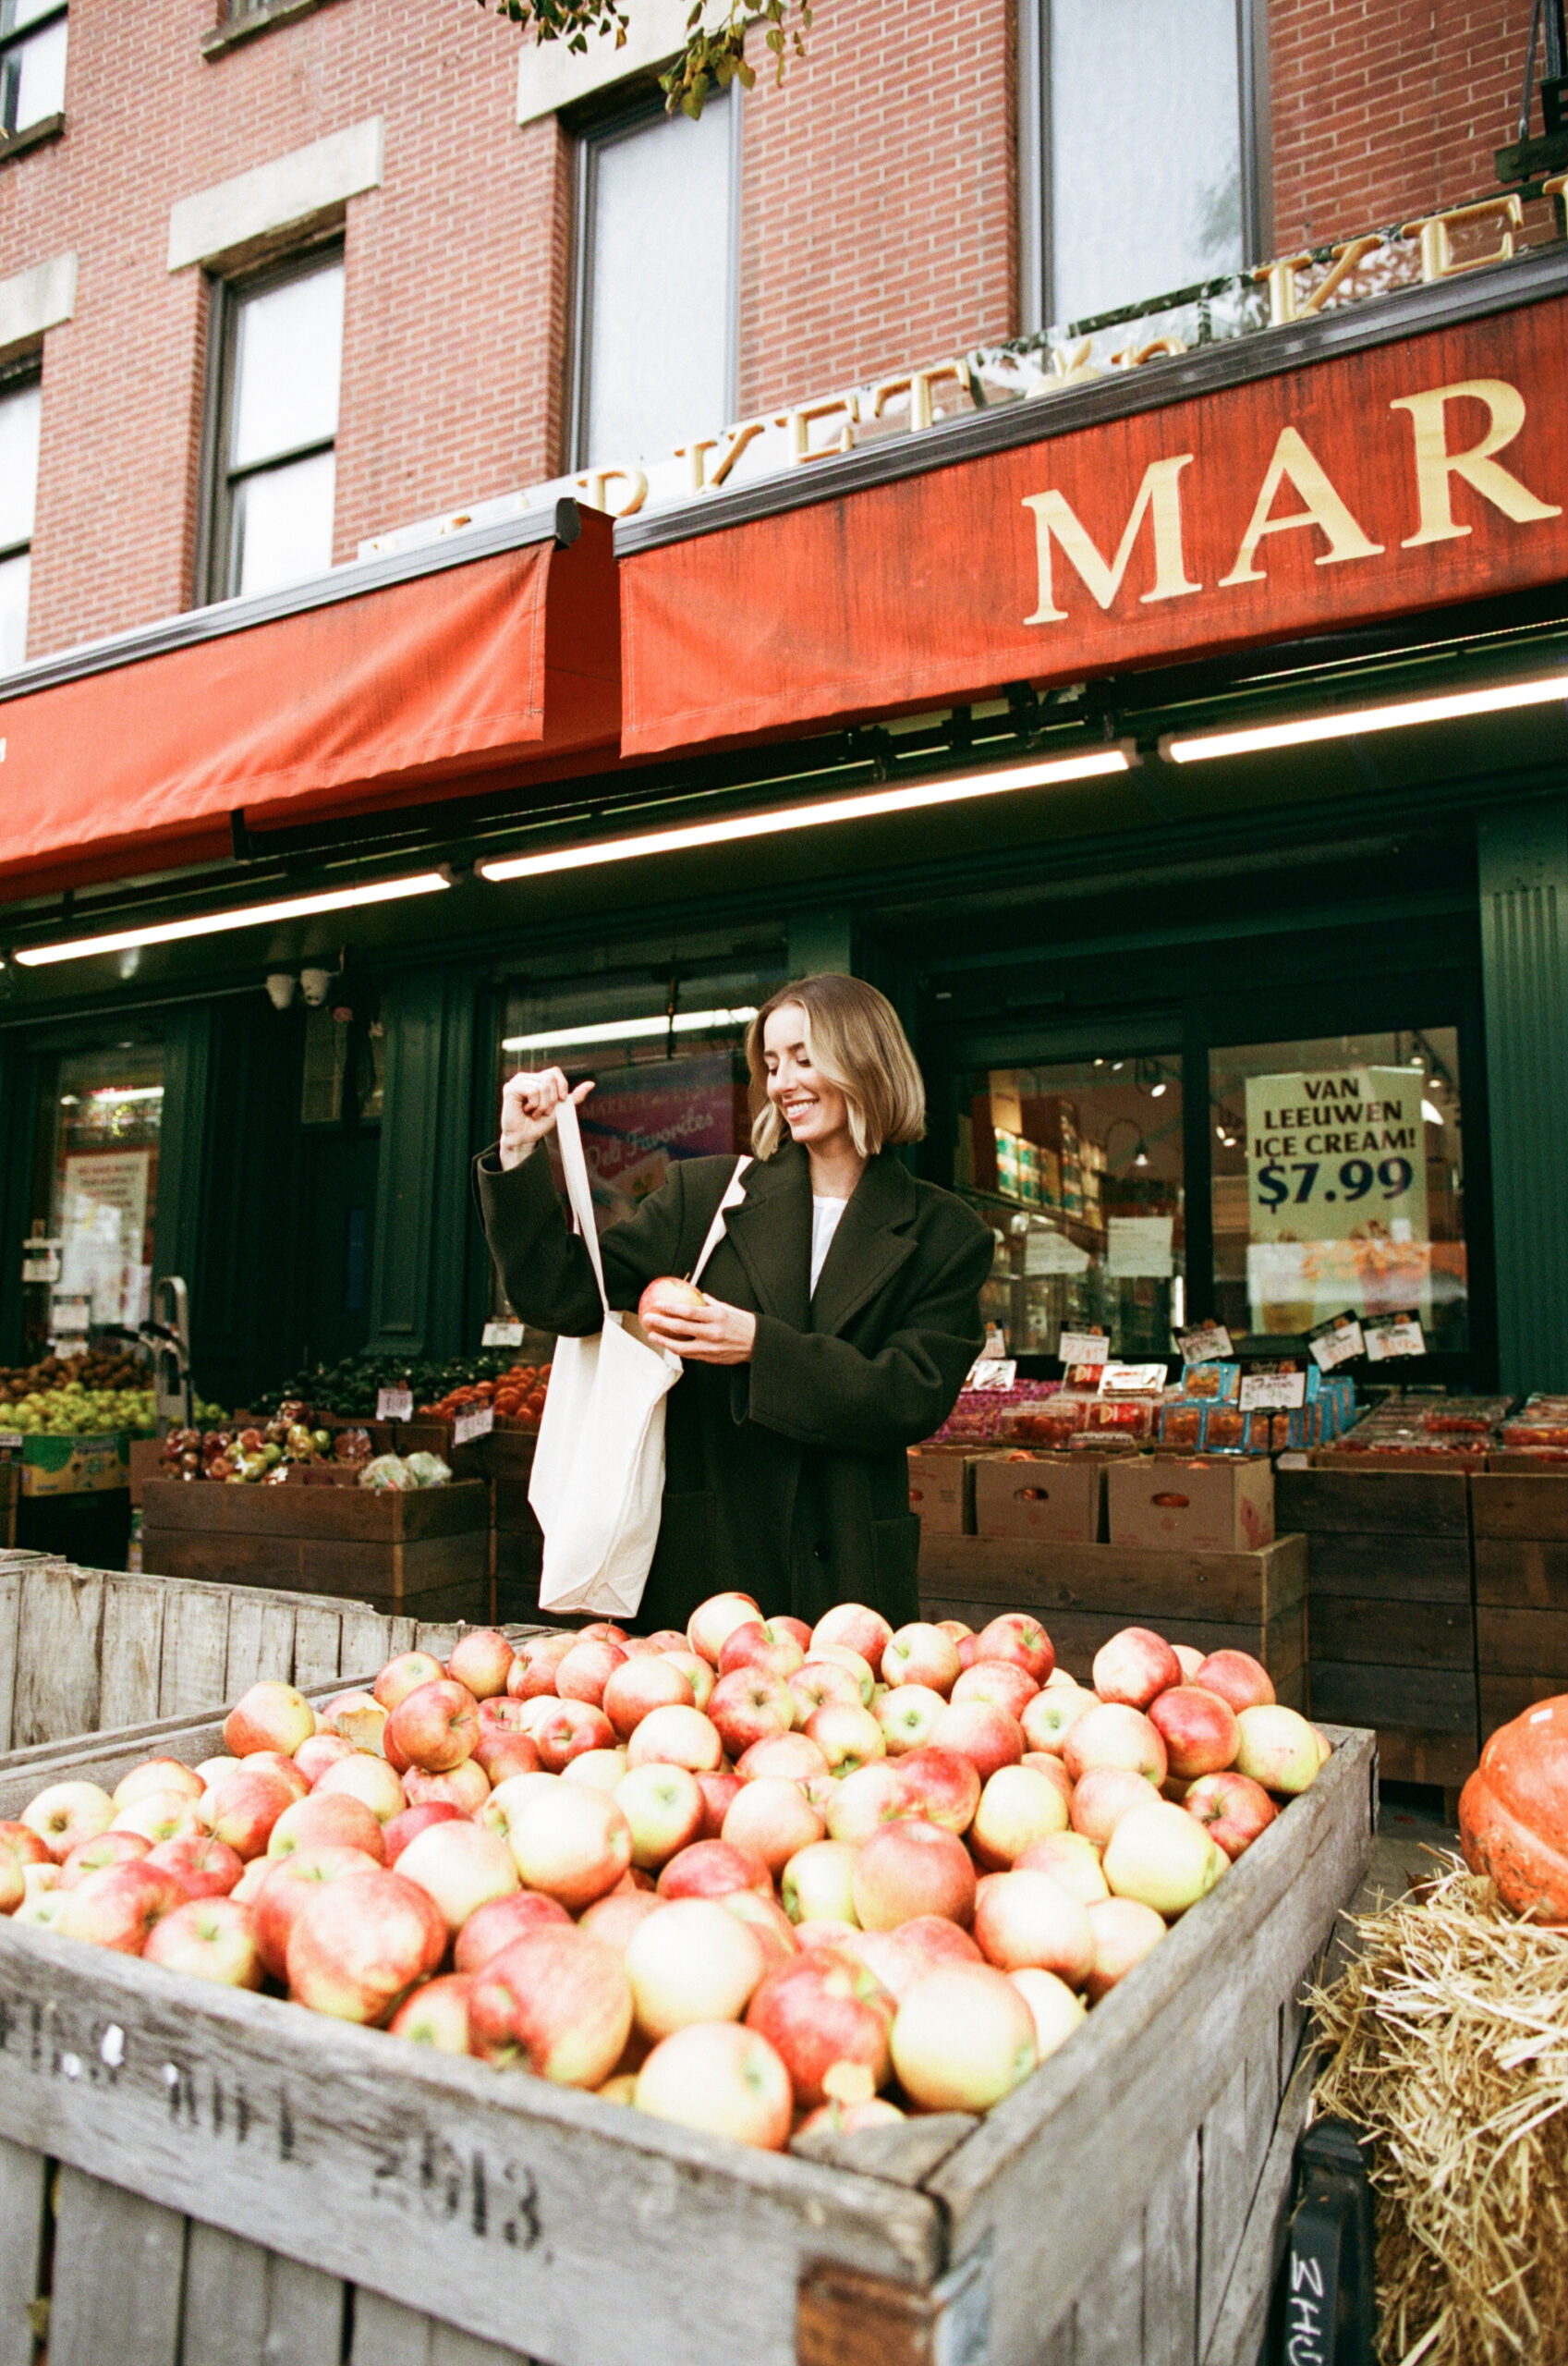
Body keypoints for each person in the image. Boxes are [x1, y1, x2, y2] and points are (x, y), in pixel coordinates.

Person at [474, 973, 993, 1633]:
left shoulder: (943, 1233)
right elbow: (564, 1299)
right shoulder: (706, 1193)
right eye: (772, 1064)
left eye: (805, 1058)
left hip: (845, 1567)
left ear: (865, 1058)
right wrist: (520, 1149)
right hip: (708, 1558)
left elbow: (909, 1396)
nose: (782, 1082)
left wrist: (758, 1346)